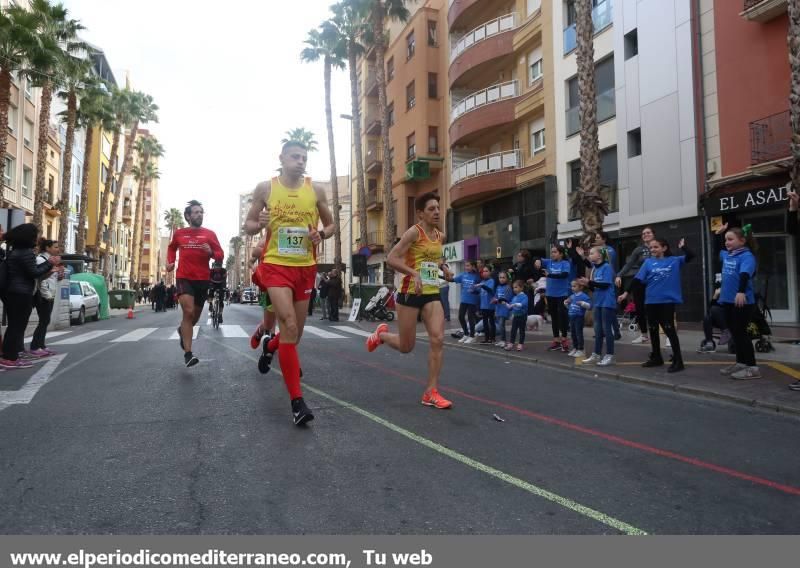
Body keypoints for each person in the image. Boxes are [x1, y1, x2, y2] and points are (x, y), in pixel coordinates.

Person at [244, 140, 335, 426]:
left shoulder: (316, 189)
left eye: (304, 157)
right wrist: (259, 222)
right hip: (276, 266)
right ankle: (297, 403)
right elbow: (247, 225)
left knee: (293, 336)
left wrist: (322, 234)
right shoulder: (266, 188)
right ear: (282, 158)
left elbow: (331, 225)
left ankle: (271, 346)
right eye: (295, 156)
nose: (301, 161)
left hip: (305, 268)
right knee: (289, 324)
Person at [365, 193, 451, 410]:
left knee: (438, 339)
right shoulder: (414, 232)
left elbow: (435, 257)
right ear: (420, 213)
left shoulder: (440, 236)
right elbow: (392, 258)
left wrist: (444, 267)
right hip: (409, 293)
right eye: (431, 209)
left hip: (431, 292)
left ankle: (431, 392)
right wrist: (414, 273)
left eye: (438, 208)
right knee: (406, 346)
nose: (437, 212)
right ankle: (381, 335)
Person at [619, 238, 694, 373]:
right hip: (651, 301)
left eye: (656, 247)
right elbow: (637, 280)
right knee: (652, 329)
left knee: (669, 330)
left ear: (664, 248)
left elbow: (691, 256)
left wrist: (684, 247)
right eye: (651, 248)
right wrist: (625, 293)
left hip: (667, 302)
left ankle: (678, 361)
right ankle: (656, 357)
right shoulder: (648, 263)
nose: (652, 250)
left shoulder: (674, 261)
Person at [166, 200, 225, 368]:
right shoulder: (179, 234)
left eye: (201, 212)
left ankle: (182, 331)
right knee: (188, 312)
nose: (199, 214)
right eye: (196, 212)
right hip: (184, 277)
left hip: (203, 279)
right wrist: (170, 262)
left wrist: (212, 252)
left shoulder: (210, 234)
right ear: (188, 216)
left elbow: (220, 255)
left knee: (194, 318)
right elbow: (171, 248)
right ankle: (188, 354)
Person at [0, 224, 63, 369]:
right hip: (21, 293)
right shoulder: (26, 253)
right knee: (17, 326)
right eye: (35, 235)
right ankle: (10, 358)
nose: (37, 238)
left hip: (14, 292)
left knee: (15, 326)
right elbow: (33, 273)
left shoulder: (16, 251)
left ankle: (11, 356)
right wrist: (49, 263)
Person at [718, 226, 760, 380]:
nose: (726, 242)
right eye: (725, 240)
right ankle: (741, 363)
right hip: (728, 300)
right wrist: (719, 234)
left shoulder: (747, 256)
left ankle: (753, 368)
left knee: (741, 333)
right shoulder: (728, 255)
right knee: (734, 332)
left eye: (730, 239)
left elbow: (744, 274)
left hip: (741, 301)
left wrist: (741, 291)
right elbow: (718, 249)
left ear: (742, 241)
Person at [616, 227, 656, 344]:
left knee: (656, 309)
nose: (645, 235)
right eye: (643, 233)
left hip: (655, 282)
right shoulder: (639, 250)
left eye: (648, 232)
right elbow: (629, 264)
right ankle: (644, 335)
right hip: (640, 282)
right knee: (640, 309)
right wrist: (619, 275)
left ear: (653, 234)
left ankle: (666, 336)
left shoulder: (659, 246)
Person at [581, 246, 617, 366]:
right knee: (598, 330)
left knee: (607, 329)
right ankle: (596, 354)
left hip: (607, 302)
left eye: (591, 253)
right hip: (598, 301)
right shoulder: (594, 269)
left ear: (599, 256)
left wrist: (590, 282)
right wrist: (587, 284)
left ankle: (609, 355)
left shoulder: (607, 267)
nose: (589, 256)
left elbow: (605, 285)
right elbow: (595, 287)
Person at [27, 238, 62, 357]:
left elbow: (51, 278)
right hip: (43, 295)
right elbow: (40, 278)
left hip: (50, 294)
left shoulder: (51, 260)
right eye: (55, 247)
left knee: (45, 321)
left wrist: (59, 275)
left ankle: (41, 345)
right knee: (44, 320)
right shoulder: (40, 259)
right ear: (47, 248)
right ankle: (35, 346)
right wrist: (46, 295)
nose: (58, 249)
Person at [536, 245, 572, 352]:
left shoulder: (565, 263)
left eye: (555, 252)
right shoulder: (549, 262)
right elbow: (536, 259)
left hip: (562, 294)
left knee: (563, 317)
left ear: (561, 254)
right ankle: (556, 340)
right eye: (551, 252)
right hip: (550, 294)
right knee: (554, 318)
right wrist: (537, 261)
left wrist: (550, 275)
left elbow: (564, 275)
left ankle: (564, 339)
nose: (552, 254)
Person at [450, 260, 480, 343]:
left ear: (473, 266)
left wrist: (474, 291)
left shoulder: (477, 276)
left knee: (471, 318)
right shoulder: (463, 275)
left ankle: (472, 336)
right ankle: (466, 334)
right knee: (460, 316)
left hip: (472, 300)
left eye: (468, 265)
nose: (466, 267)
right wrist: (439, 276)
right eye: (466, 266)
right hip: (464, 299)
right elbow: (451, 280)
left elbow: (479, 289)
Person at [564, 280, 591, 359]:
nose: (572, 288)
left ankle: (581, 349)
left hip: (579, 317)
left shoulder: (584, 296)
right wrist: (565, 303)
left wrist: (583, 303)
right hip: (571, 317)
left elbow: (590, 306)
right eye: (572, 286)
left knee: (578, 333)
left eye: (574, 286)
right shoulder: (572, 296)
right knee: (573, 333)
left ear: (581, 287)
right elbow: (569, 307)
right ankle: (575, 348)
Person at [505, 280, 529, 351]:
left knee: (522, 331)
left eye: (516, 287)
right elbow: (510, 307)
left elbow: (523, 304)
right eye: (513, 287)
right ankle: (511, 343)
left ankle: (520, 344)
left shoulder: (524, 296)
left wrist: (515, 304)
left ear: (521, 288)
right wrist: (504, 303)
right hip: (515, 316)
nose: (514, 289)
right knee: (513, 330)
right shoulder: (514, 297)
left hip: (522, 316)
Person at [493, 271, 513, 348]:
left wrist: (498, 300)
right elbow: (496, 296)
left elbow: (506, 298)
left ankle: (503, 341)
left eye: (503, 277)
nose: (501, 279)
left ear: (507, 278)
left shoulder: (508, 287)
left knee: (501, 325)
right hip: (498, 308)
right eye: (500, 277)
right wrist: (494, 300)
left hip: (504, 309)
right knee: (500, 325)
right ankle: (501, 340)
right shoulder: (498, 287)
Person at [477, 266, 496, 344]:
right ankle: (486, 338)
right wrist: (473, 291)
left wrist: (482, 285)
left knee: (491, 322)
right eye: (483, 271)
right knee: (485, 323)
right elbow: (480, 293)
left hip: (490, 306)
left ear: (490, 272)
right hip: (483, 306)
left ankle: (492, 338)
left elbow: (490, 289)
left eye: (486, 271)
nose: (484, 273)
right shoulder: (482, 281)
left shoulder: (491, 281)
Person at [438, 257, 451, 322]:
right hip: (438, 287)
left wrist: (439, 281)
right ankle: (443, 316)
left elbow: (447, 277)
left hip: (444, 286)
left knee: (444, 301)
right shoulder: (438, 267)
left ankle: (447, 316)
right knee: (440, 302)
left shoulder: (446, 266)